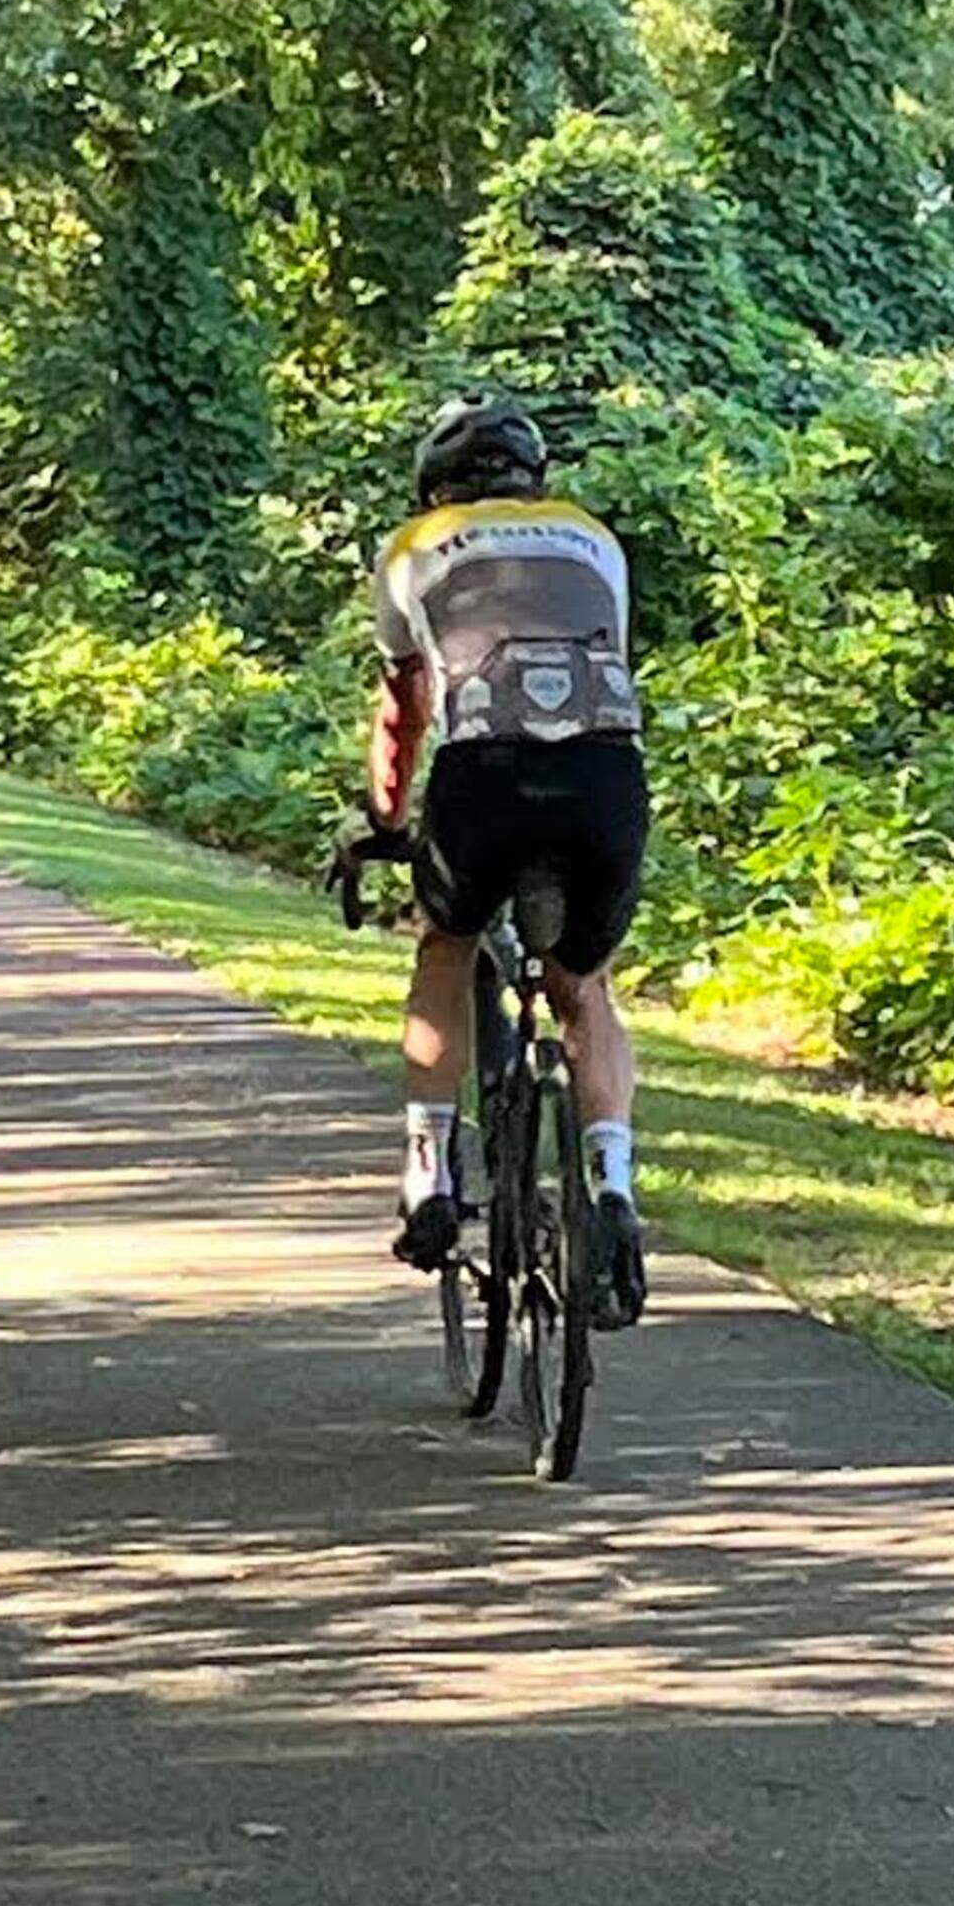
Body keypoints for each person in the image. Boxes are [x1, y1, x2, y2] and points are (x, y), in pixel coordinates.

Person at [362, 393, 651, 1330]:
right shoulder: (595, 540)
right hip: (605, 776)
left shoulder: (414, 545)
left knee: (446, 944)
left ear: (436, 482)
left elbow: (406, 711)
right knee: (586, 986)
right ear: (535, 477)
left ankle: (427, 1176)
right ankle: (611, 1187)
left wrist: (381, 817)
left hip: (481, 776)